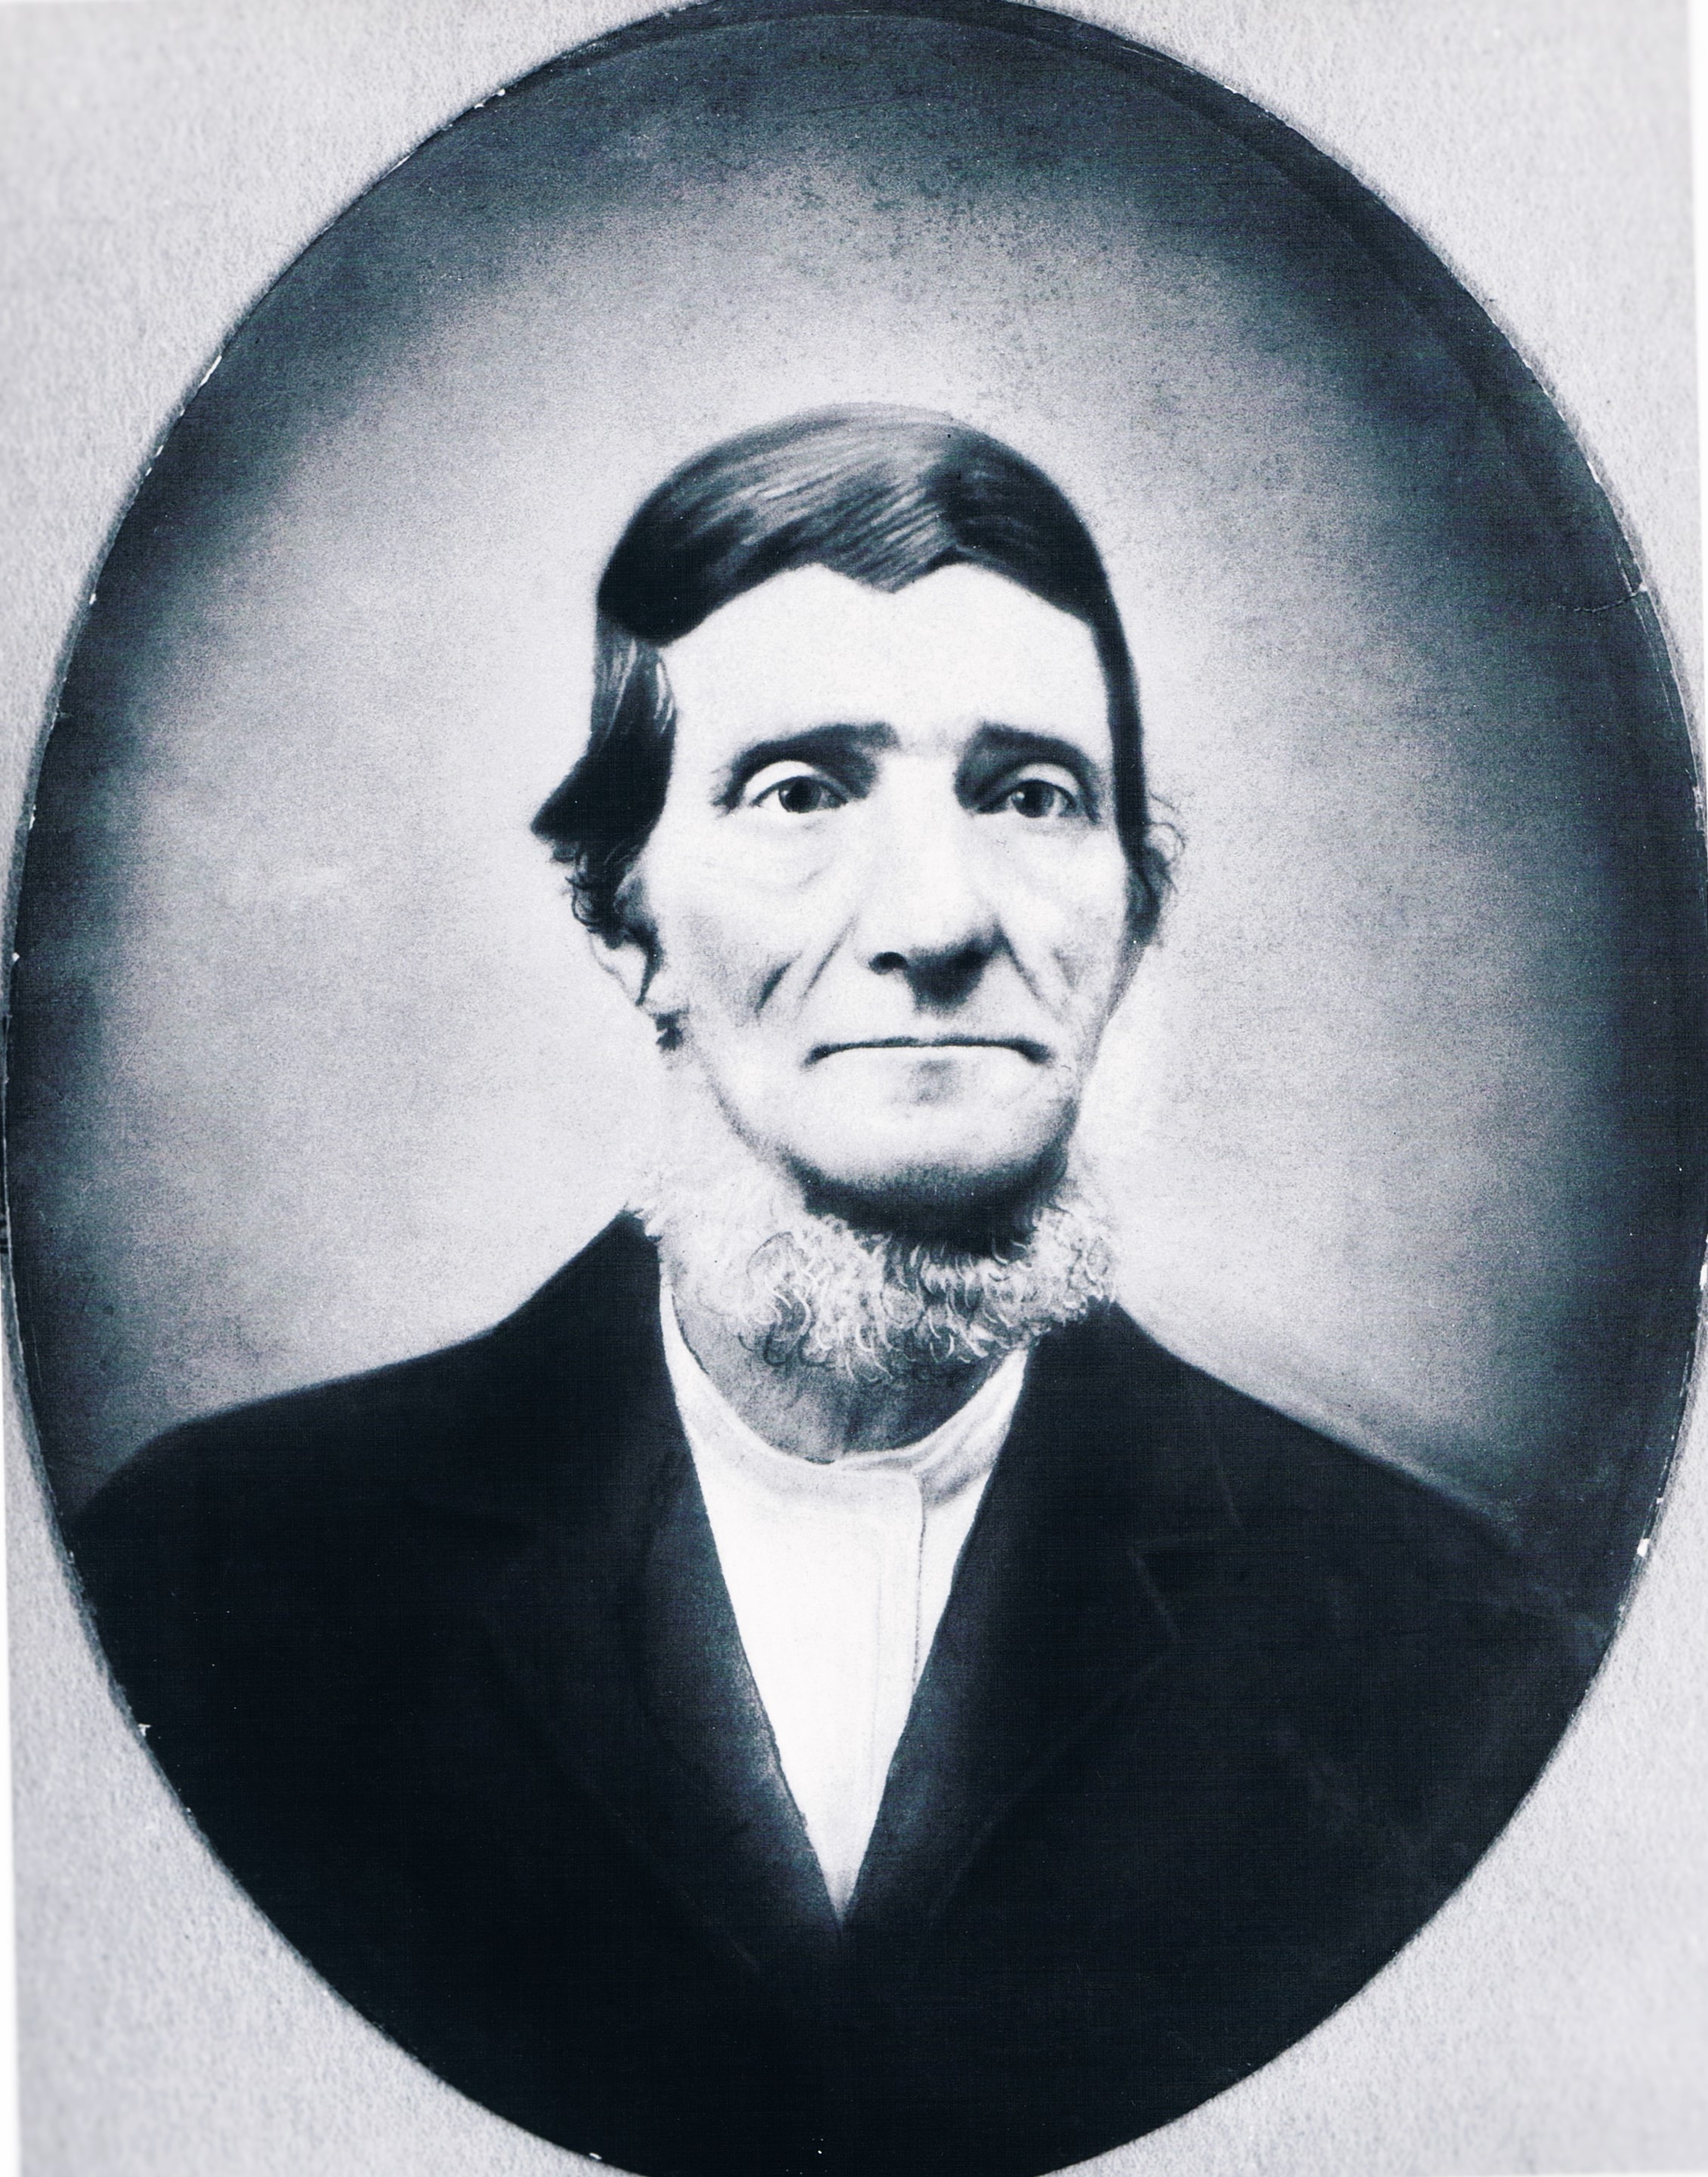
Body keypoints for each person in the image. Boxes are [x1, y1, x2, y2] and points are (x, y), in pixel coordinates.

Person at [70, 409, 1583, 2177]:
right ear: (621, 919)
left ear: (1132, 910)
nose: (934, 920)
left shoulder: (1432, 1646)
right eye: (798, 790)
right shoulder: (216, 1586)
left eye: (1029, 795)